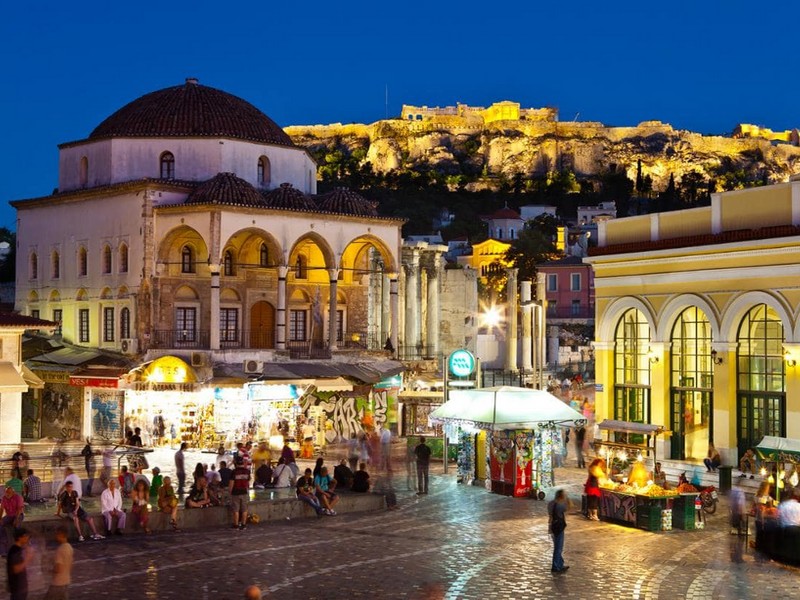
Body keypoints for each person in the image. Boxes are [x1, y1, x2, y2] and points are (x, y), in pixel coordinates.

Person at [43, 526, 73, 600]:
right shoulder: (69, 547)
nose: (55, 536)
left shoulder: (60, 550)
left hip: (57, 583)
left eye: (56, 534)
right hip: (66, 581)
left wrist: (49, 570)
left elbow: (58, 568)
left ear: (61, 534)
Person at [6, 527, 33, 600]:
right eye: (25, 536)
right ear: (19, 537)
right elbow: (16, 569)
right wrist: (28, 558)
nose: (27, 538)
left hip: (21, 588)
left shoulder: (20, 549)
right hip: (17, 588)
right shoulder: (14, 551)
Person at [548, 489, 570, 573]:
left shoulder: (551, 503)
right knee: (558, 548)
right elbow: (569, 507)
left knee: (557, 546)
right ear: (561, 496)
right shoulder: (560, 505)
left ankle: (560, 563)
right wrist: (567, 499)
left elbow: (550, 515)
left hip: (552, 526)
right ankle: (556, 566)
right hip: (559, 527)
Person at [1, 486, 25, 556]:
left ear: (13, 493)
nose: (7, 494)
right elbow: (1, 509)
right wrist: (0, 518)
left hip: (18, 515)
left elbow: (19, 509)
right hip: (9, 516)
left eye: (9, 492)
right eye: (6, 492)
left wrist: (16, 519)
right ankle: (3, 550)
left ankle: (19, 547)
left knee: (17, 527)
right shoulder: (4, 498)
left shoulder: (18, 497)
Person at [229, 457, 250, 530]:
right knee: (244, 509)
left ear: (236, 463)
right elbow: (248, 482)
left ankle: (236, 525)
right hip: (244, 492)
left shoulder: (234, 472)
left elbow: (231, 483)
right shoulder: (247, 471)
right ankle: (243, 525)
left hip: (236, 492)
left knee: (236, 509)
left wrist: (230, 492)